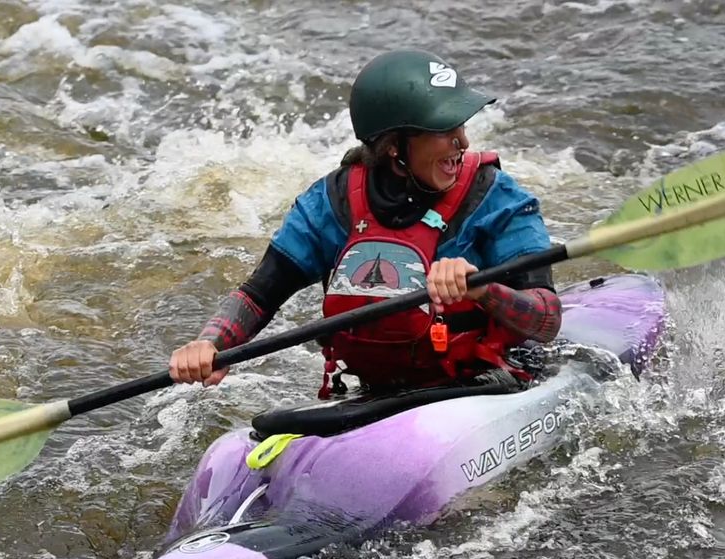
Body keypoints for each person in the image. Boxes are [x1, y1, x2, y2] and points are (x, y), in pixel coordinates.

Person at [168, 49, 563, 397]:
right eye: (444, 130)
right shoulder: (331, 203)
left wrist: (481, 289)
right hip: (381, 391)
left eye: (461, 125)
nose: (462, 142)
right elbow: (258, 296)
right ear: (394, 145)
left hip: (491, 380)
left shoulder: (495, 197)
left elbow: (546, 318)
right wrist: (209, 345)